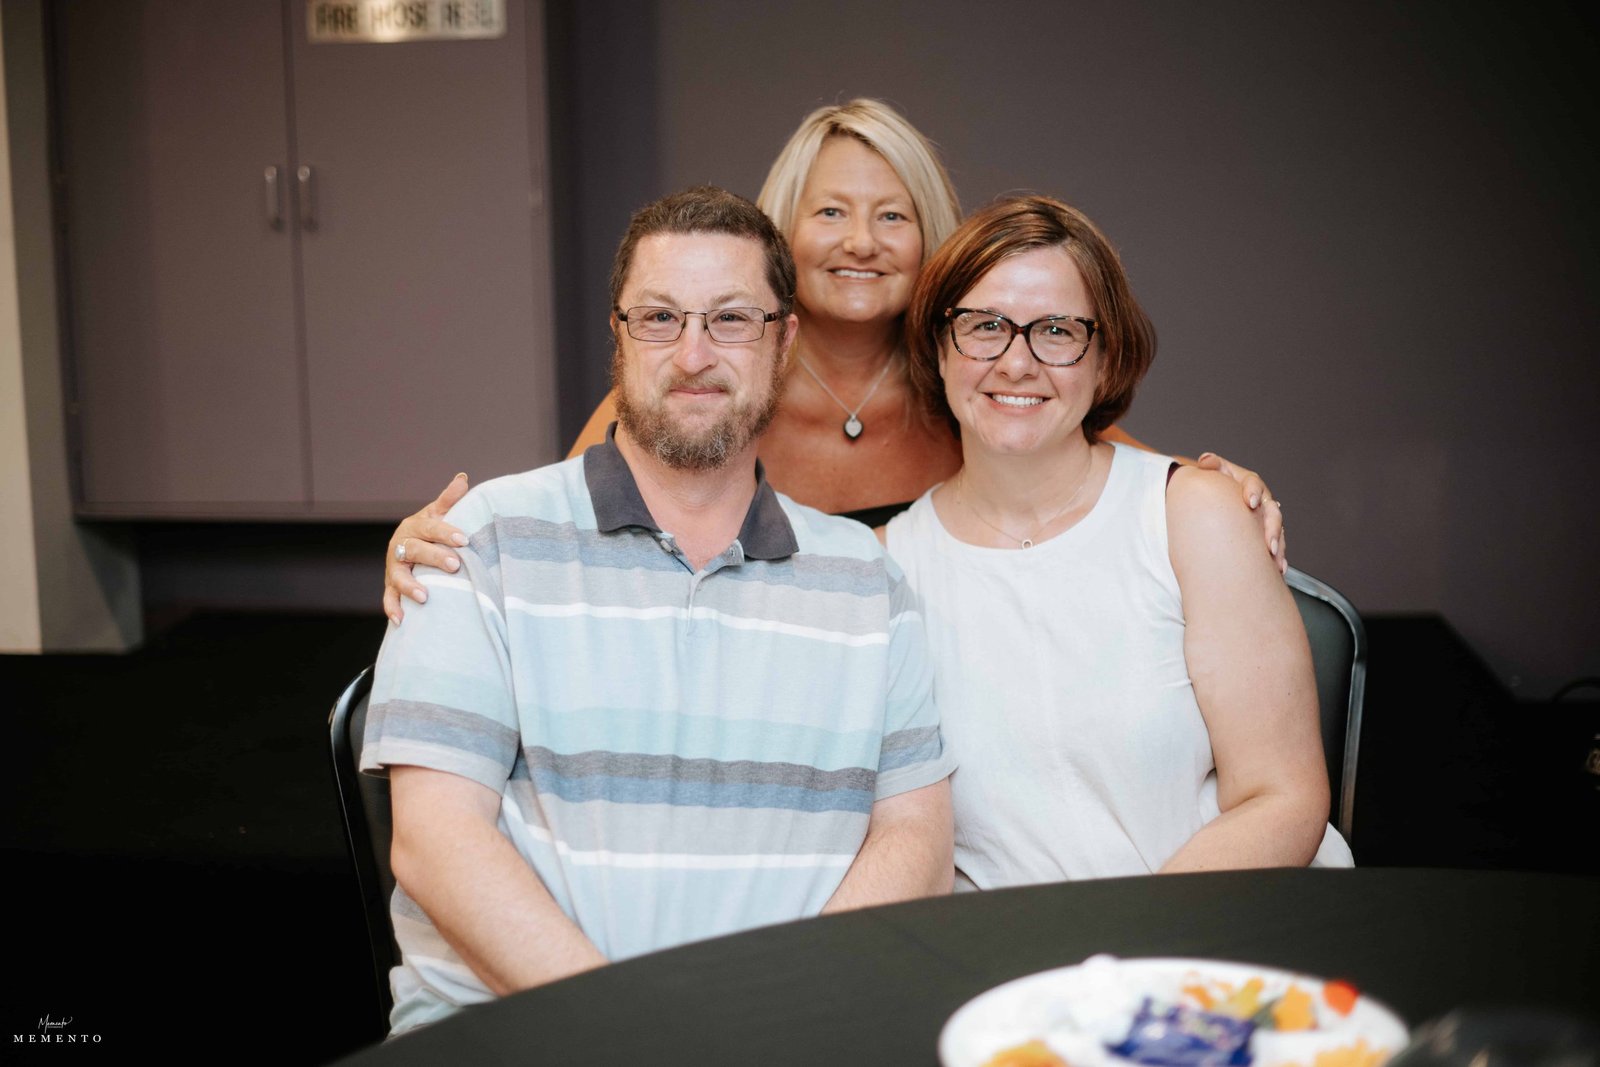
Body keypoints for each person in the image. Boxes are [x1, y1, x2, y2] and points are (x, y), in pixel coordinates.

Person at [361, 186, 956, 1035]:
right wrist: (633, 1034)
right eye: (660, 318)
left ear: (783, 340)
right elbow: (433, 843)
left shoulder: (867, 578)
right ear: (620, 335)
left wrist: (787, 1024)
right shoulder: (480, 542)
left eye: (732, 319)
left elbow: (917, 843)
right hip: (517, 1035)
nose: (693, 353)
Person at [382, 100, 1284, 623]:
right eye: (830, 214)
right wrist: (436, 544)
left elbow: (1098, 459)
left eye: (892, 215)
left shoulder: (971, 377)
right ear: (783, 233)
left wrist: (1212, 486)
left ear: (930, 236)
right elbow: (564, 512)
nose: (861, 242)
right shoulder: (717, 379)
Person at [888, 194, 1351, 887]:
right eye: (985, 326)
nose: (1016, 363)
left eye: (1057, 330)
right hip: (1011, 949)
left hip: (1223, 921)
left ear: (1105, 359)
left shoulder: (1195, 515)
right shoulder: (887, 567)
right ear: (938, 347)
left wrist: (1130, 943)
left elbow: (1282, 796)